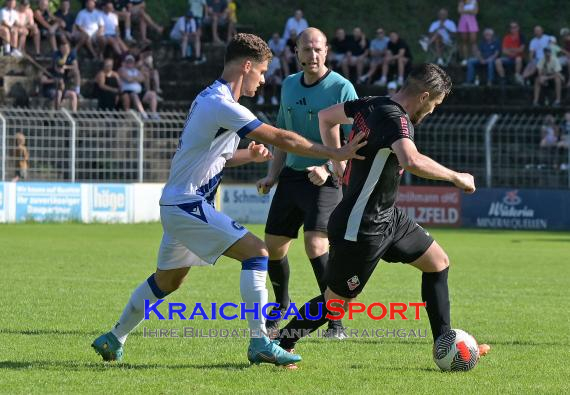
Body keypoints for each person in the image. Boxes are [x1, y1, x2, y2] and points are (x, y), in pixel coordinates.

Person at [91, 33, 367, 365]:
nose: (264, 80)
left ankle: (113, 337)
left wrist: (247, 156)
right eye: (262, 72)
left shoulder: (211, 99)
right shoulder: (222, 104)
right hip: (187, 204)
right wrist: (335, 152)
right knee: (258, 252)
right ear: (246, 66)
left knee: (168, 280)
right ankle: (260, 342)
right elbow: (281, 136)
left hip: (179, 204)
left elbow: (211, 157)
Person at [273, 63, 491, 367]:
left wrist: (338, 160)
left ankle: (445, 345)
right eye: (434, 106)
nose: (431, 113)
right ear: (425, 96)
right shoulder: (395, 119)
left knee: (438, 262)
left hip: (389, 217)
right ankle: (279, 344)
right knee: (334, 304)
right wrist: (457, 177)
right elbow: (410, 160)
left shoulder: (372, 103)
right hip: (360, 226)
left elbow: (327, 118)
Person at [256, 27, 358, 338]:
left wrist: (329, 167)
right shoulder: (287, 85)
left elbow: (359, 138)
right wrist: (273, 175)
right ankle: (282, 303)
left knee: (315, 245)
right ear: (296, 52)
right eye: (306, 49)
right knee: (272, 247)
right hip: (290, 178)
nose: (312, 55)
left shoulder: (342, 88)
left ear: (327, 52)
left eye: (318, 49)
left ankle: (335, 320)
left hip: (326, 180)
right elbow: (281, 135)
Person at [118, 53, 157, 118]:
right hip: (128, 92)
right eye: (128, 62)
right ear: (125, 62)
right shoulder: (122, 69)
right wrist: (136, 78)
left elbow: (142, 79)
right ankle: (143, 114)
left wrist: (133, 78)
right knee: (135, 95)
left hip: (139, 92)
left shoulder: (136, 70)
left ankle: (154, 113)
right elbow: (128, 79)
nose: (130, 63)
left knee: (152, 94)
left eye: (131, 62)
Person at [457, 0, 479, 64]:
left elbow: (475, 12)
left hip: (472, 21)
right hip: (463, 21)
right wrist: (469, 11)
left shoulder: (474, 1)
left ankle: (474, 57)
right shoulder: (462, 1)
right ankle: (465, 59)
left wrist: (464, 11)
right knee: (464, 41)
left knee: (473, 41)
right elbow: (459, 11)